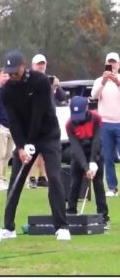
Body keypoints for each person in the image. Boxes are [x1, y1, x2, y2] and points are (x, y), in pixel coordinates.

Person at [0, 50, 70, 241]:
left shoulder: (40, 81)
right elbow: (14, 121)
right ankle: (8, 227)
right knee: (16, 181)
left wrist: (30, 144)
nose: (12, 76)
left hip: (48, 134)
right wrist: (20, 147)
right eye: (8, 73)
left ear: (23, 66)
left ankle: (61, 227)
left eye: (14, 72)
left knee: (54, 177)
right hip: (25, 138)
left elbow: (38, 113)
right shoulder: (7, 91)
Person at [65, 96, 110, 229]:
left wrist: (93, 162)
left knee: (98, 185)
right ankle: (71, 214)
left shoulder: (96, 118)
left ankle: (103, 217)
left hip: (94, 151)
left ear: (86, 108)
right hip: (79, 154)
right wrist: (85, 167)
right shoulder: (69, 124)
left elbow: (97, 140)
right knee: (75, 183)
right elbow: (76, 147)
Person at [26, 54, 66, 188]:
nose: (41, 66)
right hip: (33, 121)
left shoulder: (50, 80)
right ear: (33, 66)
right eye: (38, 64)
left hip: (49, 122)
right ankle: (31, 178)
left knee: (45, 152)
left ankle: (43, 177)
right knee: (32, 151)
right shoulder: (29, 80)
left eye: (43, 63)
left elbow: (62, 97)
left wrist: (56, 86)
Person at [91, 52, 120, 197]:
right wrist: (104, 81)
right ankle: (112, 187)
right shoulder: (99, 81)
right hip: (105, 123)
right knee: (108, 157)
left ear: (119, 65)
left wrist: (117, 82)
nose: (112, 65)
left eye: (114, 62)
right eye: (110, 62)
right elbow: (94, 96)